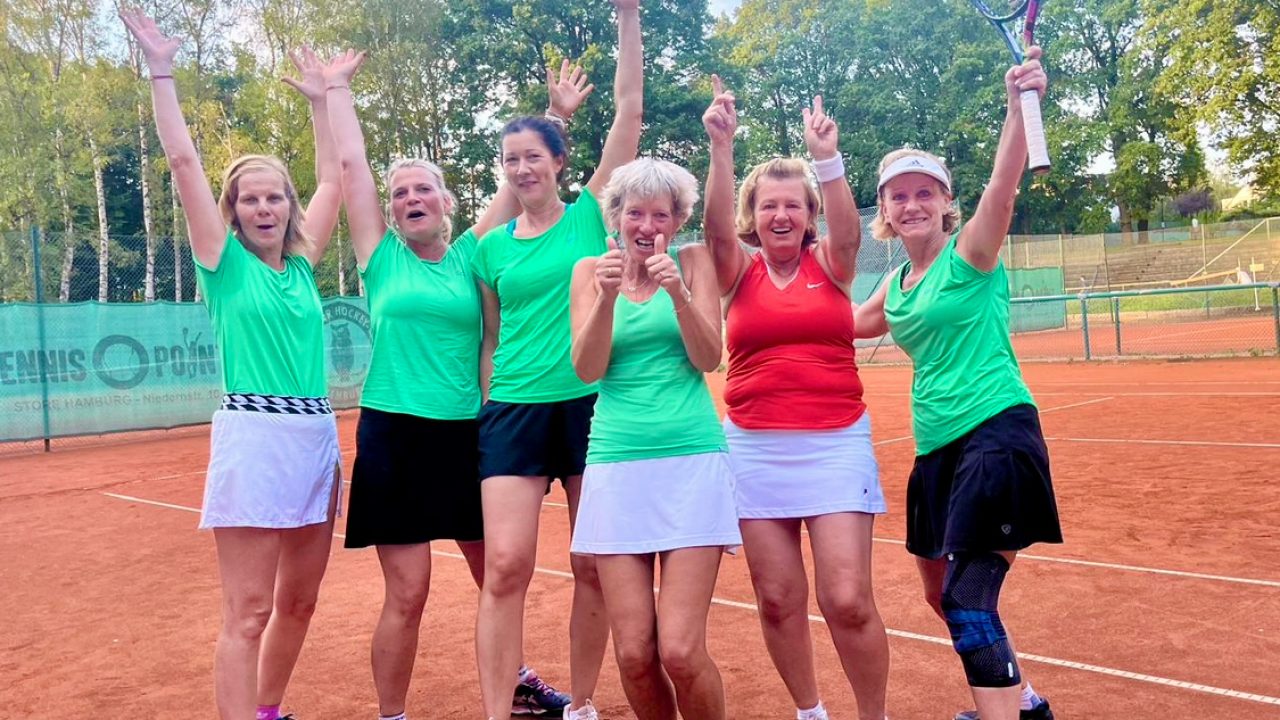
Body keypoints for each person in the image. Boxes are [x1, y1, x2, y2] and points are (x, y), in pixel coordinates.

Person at [324, 50, 593, 720]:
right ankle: (393, 714)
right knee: (407, 594)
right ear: (391, 211)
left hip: (473, 432)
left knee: (498, 575)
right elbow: (353, 168)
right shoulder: (380, 257)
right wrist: (336, 91)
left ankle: (517, 685)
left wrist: (556, 115)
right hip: (395, 434)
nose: (412, 199)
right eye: (401, 194)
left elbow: (528, 174)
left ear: (447, 203)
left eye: (424, 190)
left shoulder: (476, 250)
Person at [122, 11, 343, 720]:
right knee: (247, 613)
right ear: (234, 210)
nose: (264, 206)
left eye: (275, 195)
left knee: (300, 604)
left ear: (288, 205)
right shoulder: (223, 265)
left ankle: (267, 710)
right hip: (254, 437)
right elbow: (184, 161)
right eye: (250, 198)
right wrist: (161, 71)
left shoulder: (305, 269)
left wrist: (321, 102)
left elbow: (337, 177)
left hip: (316, 438)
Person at [854, 47, 1061, 720]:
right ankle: (1022, 702)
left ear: (946, 203)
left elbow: (1003, 186)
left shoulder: (971, 251)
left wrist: (1015, 108)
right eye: (898, 195)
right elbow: (847, 324)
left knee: (969, 599)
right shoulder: (898, 283)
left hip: (995, 434)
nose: (912, 204)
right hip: (936, 449)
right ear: (883, 209)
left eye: (925, 192)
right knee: (940, 591)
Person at [470, 1, 643, 717]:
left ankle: (583, 704)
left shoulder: (587, 216)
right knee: (505, 566)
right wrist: (488, 402)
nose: (521, 169)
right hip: (512, 408)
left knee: (590, 562)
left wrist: (628, 18)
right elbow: (488, 334)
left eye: (532, 157)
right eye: (510, 160)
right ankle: (494, 709)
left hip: (590, 403)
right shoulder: (488, 242)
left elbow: (628, 116)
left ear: (558, 163)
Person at [702, 77, 890, 720]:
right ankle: (811, 711)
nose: (780, 215)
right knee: (777, 598)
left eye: (793, 205)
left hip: (836, 443)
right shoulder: (735, 270)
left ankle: (873, 715)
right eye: (767, 206)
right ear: (752, 217)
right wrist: (721, 148)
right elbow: (715, 232)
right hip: (753, 448)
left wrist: (827, 161)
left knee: (847, 599)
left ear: (809, 216)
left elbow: (849, 231)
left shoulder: (833, 265)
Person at [567, 158, 740, 720]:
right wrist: (608, 296)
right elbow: (587, 369)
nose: (646, 225)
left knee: (681, 650)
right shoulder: (590, 271)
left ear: (677, 220)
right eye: (634, 213)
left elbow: (709, 357)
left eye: (660, 214)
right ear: (616, 217)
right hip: (617, 466)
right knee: (635, 653)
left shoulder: (692, 262)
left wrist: (680, 296)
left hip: (691, 462)